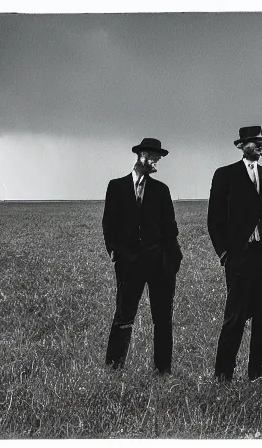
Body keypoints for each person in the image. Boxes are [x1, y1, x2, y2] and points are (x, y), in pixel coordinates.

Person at [207, 126, 262, 381]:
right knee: (234, 319)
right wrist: (225, 254)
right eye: (255, 143)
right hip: (239, 258)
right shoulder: (225, 175)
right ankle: (223, 376)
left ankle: (257, 375)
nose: (260, 147)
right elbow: (214, 219)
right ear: (241, 145)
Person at [101, 137, 183, 374]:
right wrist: (116, 253)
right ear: (142, 157)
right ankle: (113, 368)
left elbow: (171, 229)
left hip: (160, 266)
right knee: (123, 318)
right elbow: (108, 224)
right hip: (128, 267)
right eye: (154, 157)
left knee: (162, 320)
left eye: (159, 158)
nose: (157, 162)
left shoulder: (161, 190)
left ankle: (163, 371)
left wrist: (172, 261)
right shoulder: (116, 186)